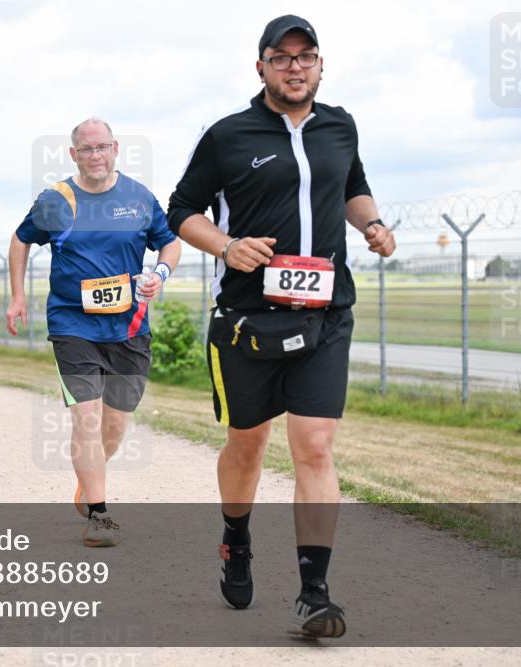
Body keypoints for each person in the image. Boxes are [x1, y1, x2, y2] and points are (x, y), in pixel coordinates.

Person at [166, 15, 396, 638]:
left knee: (315, 446)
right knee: (247, 445)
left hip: (326, 314)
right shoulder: (227, 135)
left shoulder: (339, 125)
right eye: (282, 56)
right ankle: (236, 538)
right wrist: (227, 246)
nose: (295, 67)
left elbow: (352, 185)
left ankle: (314, 594)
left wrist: (372, 224)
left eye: (306, 56)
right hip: (248, 320)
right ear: (261, 66)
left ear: (321, 65)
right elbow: (181, 209)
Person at [7, 117, 181, 548]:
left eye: (102, 147)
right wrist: (18, 296)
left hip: (130, 326)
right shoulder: (56, 200)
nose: (95, 155)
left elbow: (170, 241)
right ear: (73, 155)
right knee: (86, 416)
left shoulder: (139, 198)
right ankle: (100, 515)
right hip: (73, 324)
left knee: (115, 424)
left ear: (115, 148)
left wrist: (160, 273)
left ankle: (88, 482)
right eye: (86, 149)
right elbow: (20, 239)